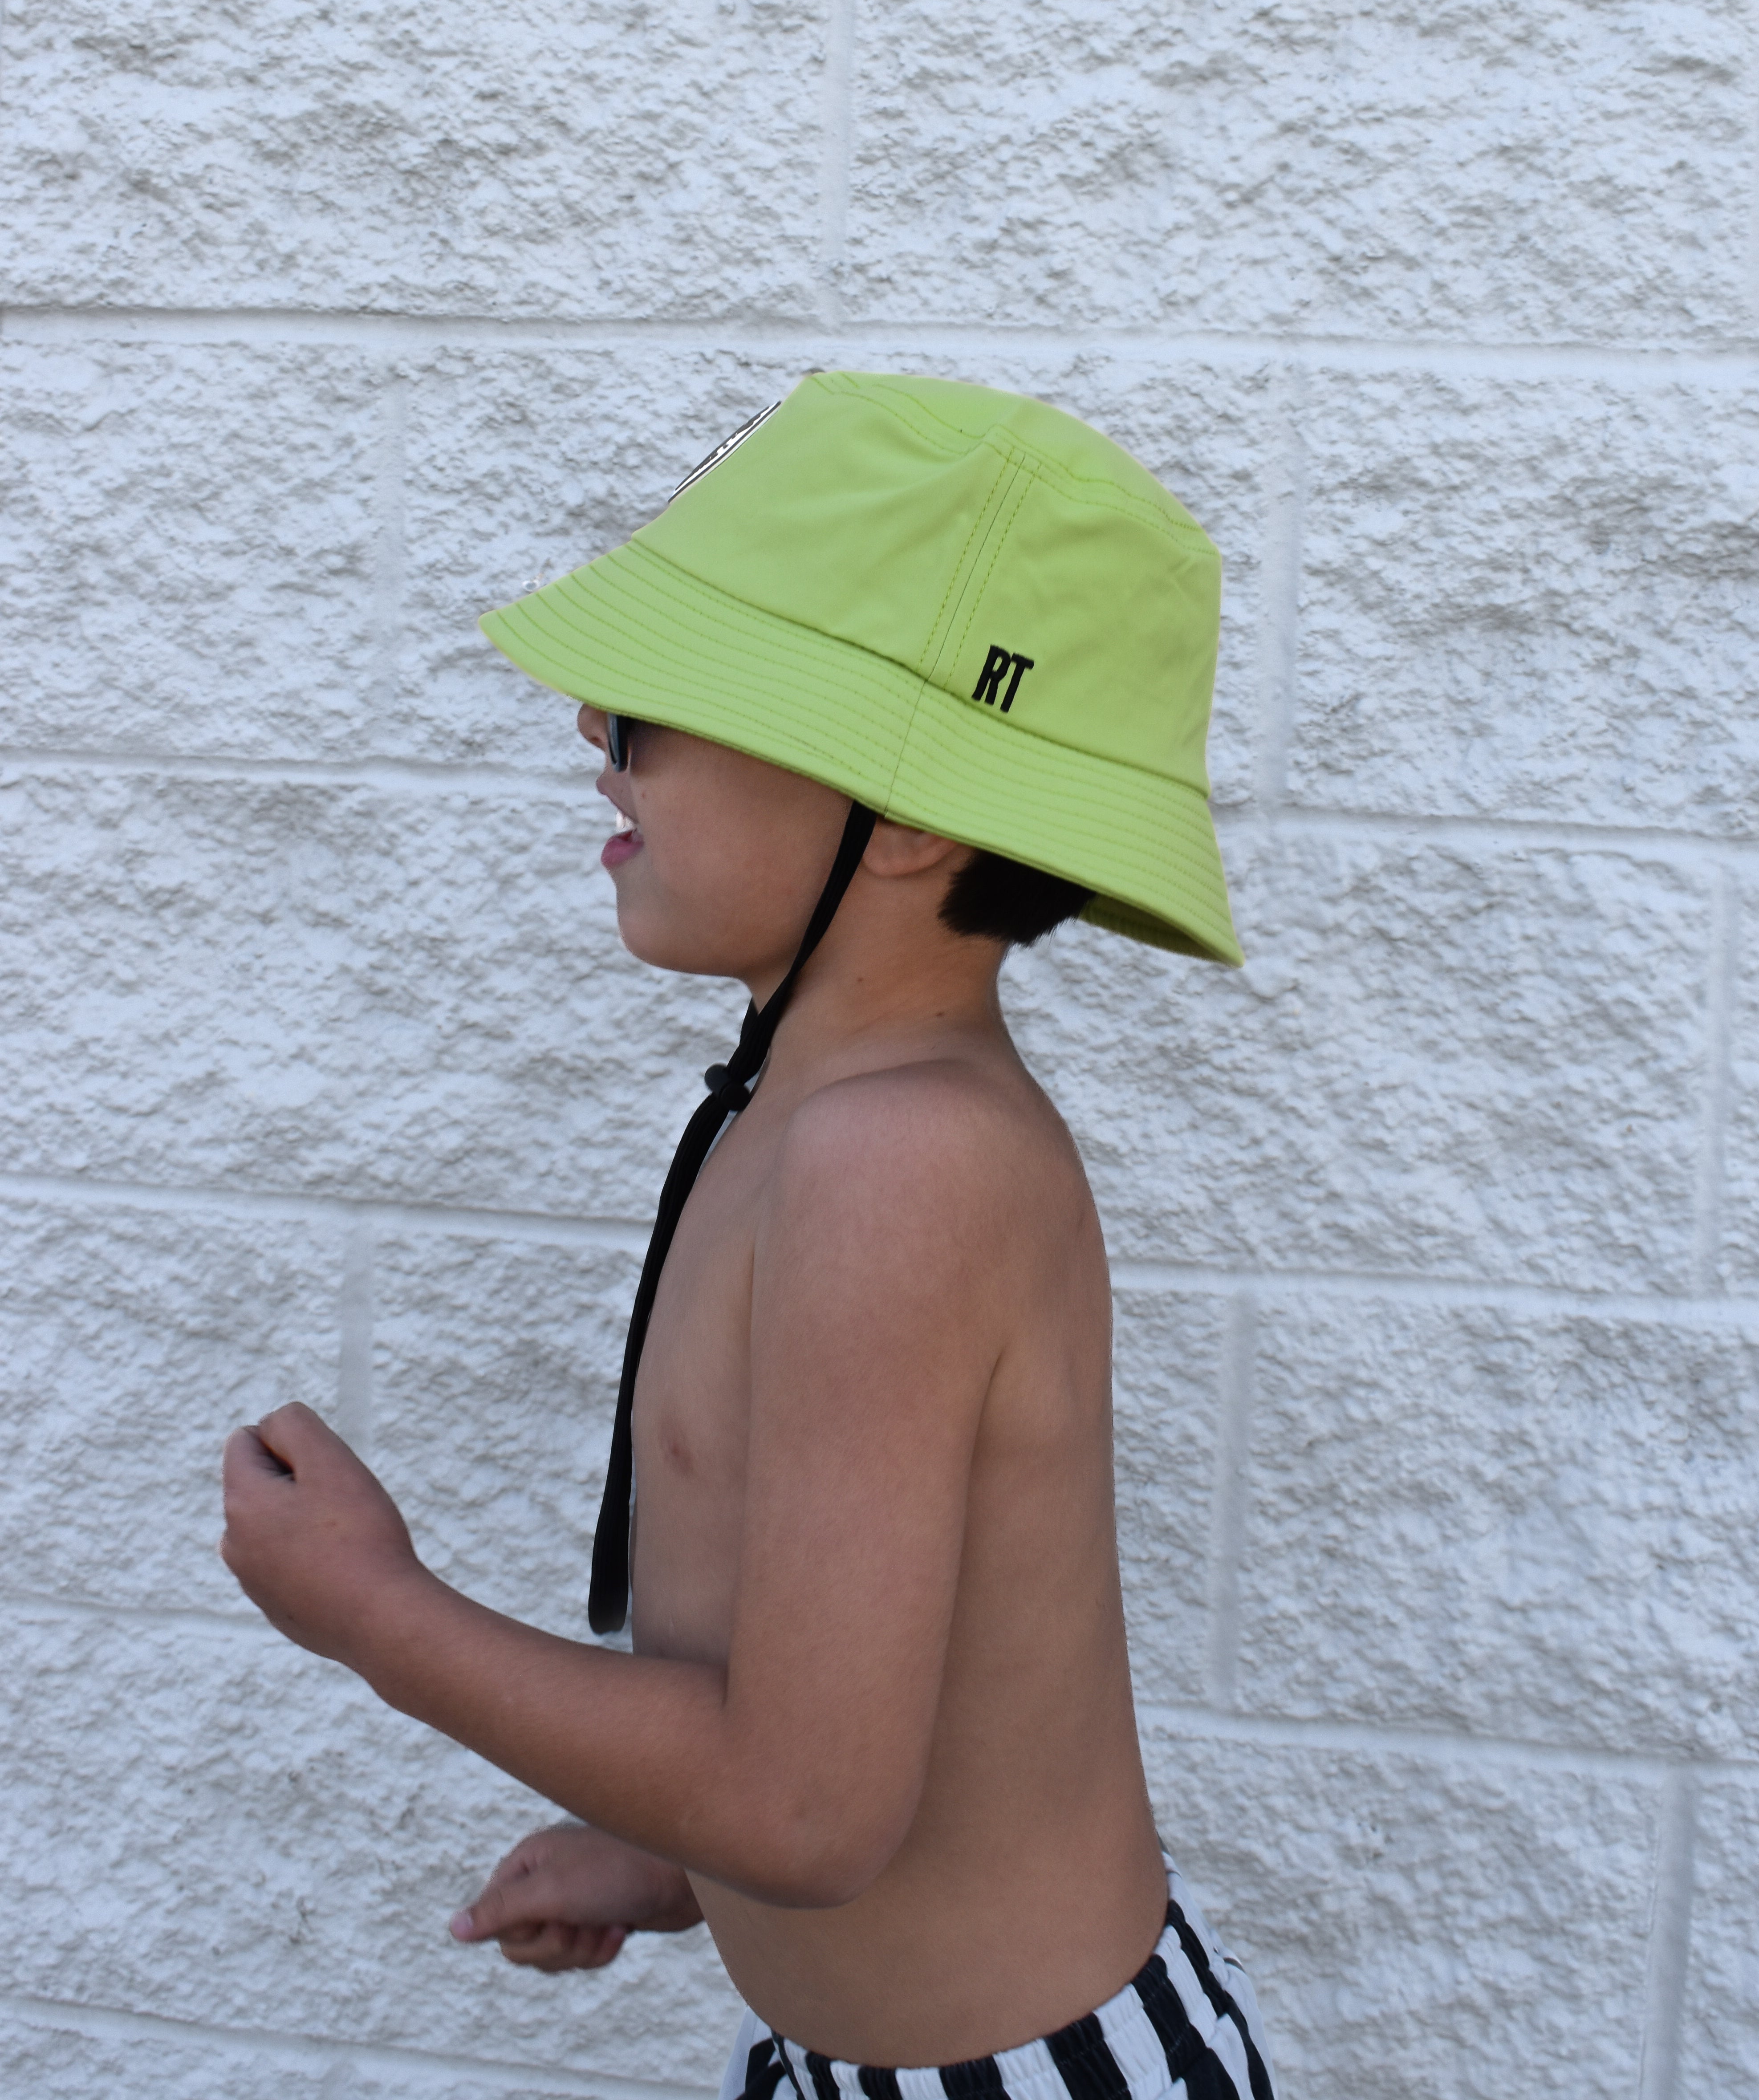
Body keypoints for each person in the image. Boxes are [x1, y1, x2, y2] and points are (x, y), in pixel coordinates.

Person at [220, 370, 1273, 2100]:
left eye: (662, 698)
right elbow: (863, 1706)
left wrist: (375, 1612)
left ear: (913, 810)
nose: (593, 726)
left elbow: (803, 1808)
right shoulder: (809, 1107)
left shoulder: (899, 1164)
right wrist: (670, 1860)